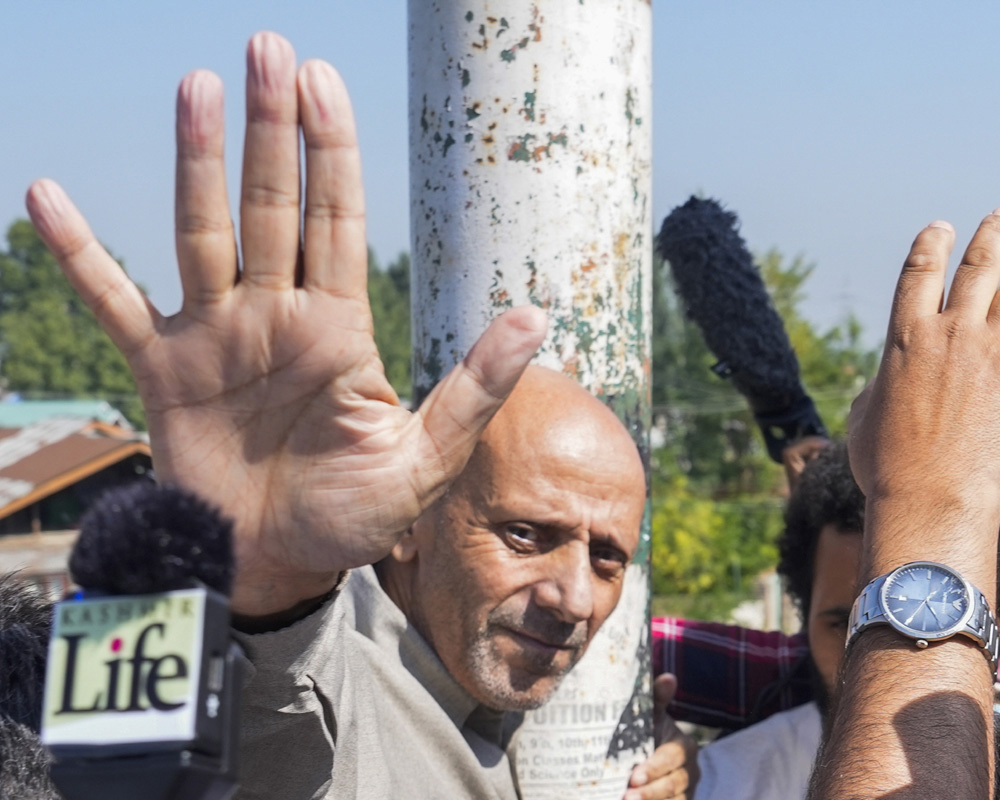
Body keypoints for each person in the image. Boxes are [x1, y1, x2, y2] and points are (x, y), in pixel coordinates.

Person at [24, 32, 690, 800]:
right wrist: (255, 584)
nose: (574, 595)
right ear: (410, 523)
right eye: (525, 535)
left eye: (607, 558)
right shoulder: (315, 678)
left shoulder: (482, 703)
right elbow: (122, 752)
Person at [694, 443, 863, 799]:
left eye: (915, 624)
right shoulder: (723, 781)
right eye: (842, 625)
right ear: (805, 611)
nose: (871, 664)